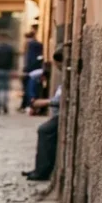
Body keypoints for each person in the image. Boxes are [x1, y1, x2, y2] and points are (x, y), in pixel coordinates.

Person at [24, 50, 63, 181]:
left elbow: (60, 100)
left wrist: (44, 103)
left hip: (60, 114)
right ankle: (39, 168)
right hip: (57, 113)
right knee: (44, 131)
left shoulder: (66, 75)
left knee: (44, 131)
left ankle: (42, 170)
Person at [20, 29, 44, 111]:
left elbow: (30, 58)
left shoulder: (31, 45)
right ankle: (27, 105)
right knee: (31, 88)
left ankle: (28, 105)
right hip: (35, 69)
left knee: (29, 88)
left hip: (31, 70)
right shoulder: (36, 44)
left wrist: (26, 69)